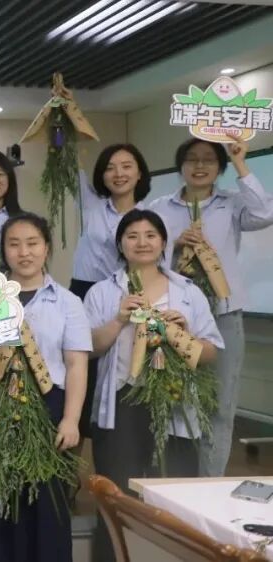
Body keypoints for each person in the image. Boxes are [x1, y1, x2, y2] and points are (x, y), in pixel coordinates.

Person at [85, 209, 222, 562]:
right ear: (120, 245)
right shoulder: (103, 291)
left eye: (150, 235)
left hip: (175, 401)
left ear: (163, 242)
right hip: (123, 402)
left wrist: (184, 335)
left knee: (175, 497)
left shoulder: (187, 291)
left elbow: (210, 352)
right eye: (132, 236)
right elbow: (90, 348)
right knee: (117, 497)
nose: (142, 242)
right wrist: (119, 319)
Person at [0, 213, 90, 562]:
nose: (24, 252)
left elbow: (76, 364)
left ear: (46, 247)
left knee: (47, 502)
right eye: (14, 244)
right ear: (3, 250)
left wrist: (71, 419)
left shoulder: (67, 302)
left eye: (32, 243)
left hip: (48, 406)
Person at [148, 135, 273, 477]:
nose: (200, 165)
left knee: (220, 406)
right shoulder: (159, 207)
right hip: (172, 317)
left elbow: (265, 213)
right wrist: (173, 244)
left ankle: (208, 483)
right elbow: (142, 253)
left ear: (219, 167)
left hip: (223, 316)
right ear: (181, 166)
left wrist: (241, 163)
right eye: (192, 158)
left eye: (208, 159)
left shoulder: (231, 204)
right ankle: (169, 482)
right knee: (171, 401)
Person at [70, 144, 152, 440]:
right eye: (110, 167)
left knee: (122, 368)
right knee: (79, 368)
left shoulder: (150, 215)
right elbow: (67, 163)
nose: (118, 173)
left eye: (127, 166)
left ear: (139, 173)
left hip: (128, 292)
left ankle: (116, 443)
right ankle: (74, 445)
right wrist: (64, 125)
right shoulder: (91, 204)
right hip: (84, 291)